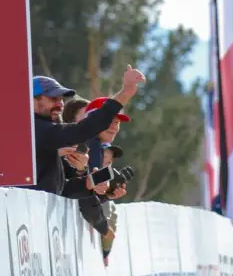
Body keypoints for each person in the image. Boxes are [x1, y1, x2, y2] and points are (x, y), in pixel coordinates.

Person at [25, 66, 144, 195]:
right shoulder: (35, 129)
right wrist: (125, 93)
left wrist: (89, 182)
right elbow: (82, 130)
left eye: (61, 99)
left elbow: (61, 189)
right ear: (32, 100)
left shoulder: (44, 133)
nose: (60, 105)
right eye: (53, 99)